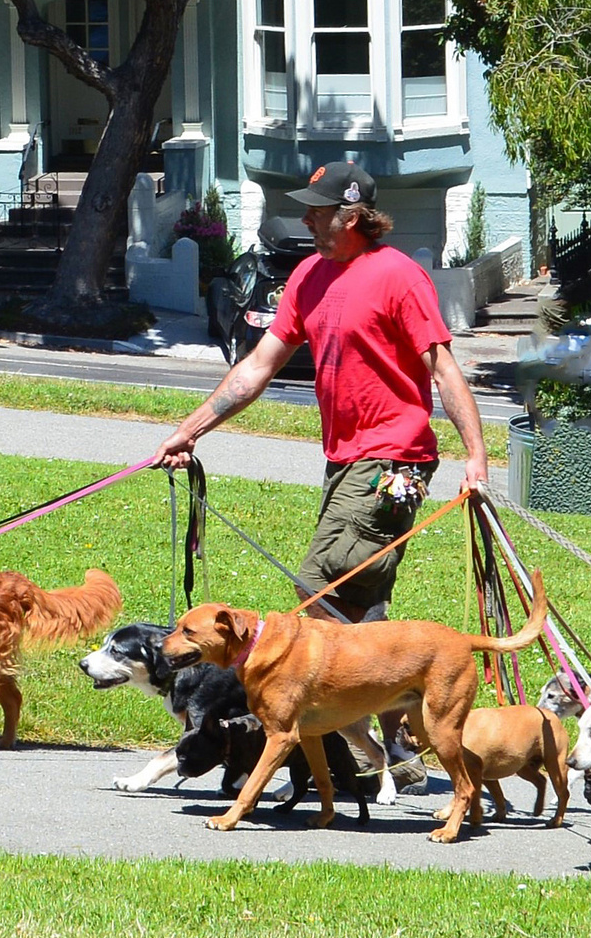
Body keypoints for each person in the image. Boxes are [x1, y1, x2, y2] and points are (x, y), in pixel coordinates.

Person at [155, 161, 489, 792]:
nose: (305, 217)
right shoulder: (308, 277)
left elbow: (443, 371)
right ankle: (396, 754)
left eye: (317, 208)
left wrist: (476, 459)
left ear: (353, 215)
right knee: (360, 615)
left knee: (317, 596)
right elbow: (259, 366)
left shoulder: (398, 276)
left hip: (393, 464)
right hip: (343, 463)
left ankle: (312, 754)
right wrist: (191, 428)